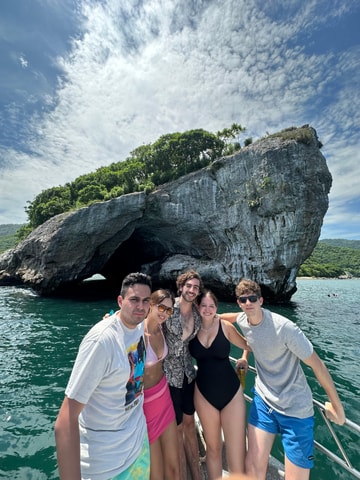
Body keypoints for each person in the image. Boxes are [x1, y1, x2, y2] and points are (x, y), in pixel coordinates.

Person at [221, 278, 346, 480]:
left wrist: (337, 406)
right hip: (264, 402)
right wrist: (208, 314)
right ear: (239, 303)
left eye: (252, 299)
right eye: (243, 300)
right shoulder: (244, 319)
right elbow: (227, 318)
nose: (248, 303)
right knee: (253, 468)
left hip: (295, 408)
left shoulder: (285, 328)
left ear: (261, 300)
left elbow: (318, 365)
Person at [55, 272, 152, 480]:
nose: (140, 307)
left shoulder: (140, 324)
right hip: (106, 466)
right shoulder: (101, 342)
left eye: (145, 301)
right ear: (120, 300)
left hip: (137, 447)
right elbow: (65, 420)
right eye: (134, 300)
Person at [189, 290, 250, 480]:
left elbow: (248, 344)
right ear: (197, 308)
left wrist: (244, 358)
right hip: (204, 393)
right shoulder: (190, 329)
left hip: (231, 392)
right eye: (203, 306)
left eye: (211, 306)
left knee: (236, 450)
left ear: (216, 308)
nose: (207, 310)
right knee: (213, 449)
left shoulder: (225, 327)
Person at [162, 269, 203, 480]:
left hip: (188, 375)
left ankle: (197, 474)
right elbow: (148, 322)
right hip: (169, 377)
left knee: (189, 423)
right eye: (189, 286)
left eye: (196, 287)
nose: (192, 290)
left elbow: (216, 318)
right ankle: (180, 475)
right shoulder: (169, 308)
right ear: (181, 287)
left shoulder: (197, 314)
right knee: (176, 429)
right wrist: (114, 318)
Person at [143, 289, 180, 480]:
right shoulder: (137, 332)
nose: (165, 313)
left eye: (169, 310)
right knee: (155, 473)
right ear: (150, 304)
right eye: (161, 307)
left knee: (174, 468)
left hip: (164, 399)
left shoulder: (162, 328)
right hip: (145, 406)